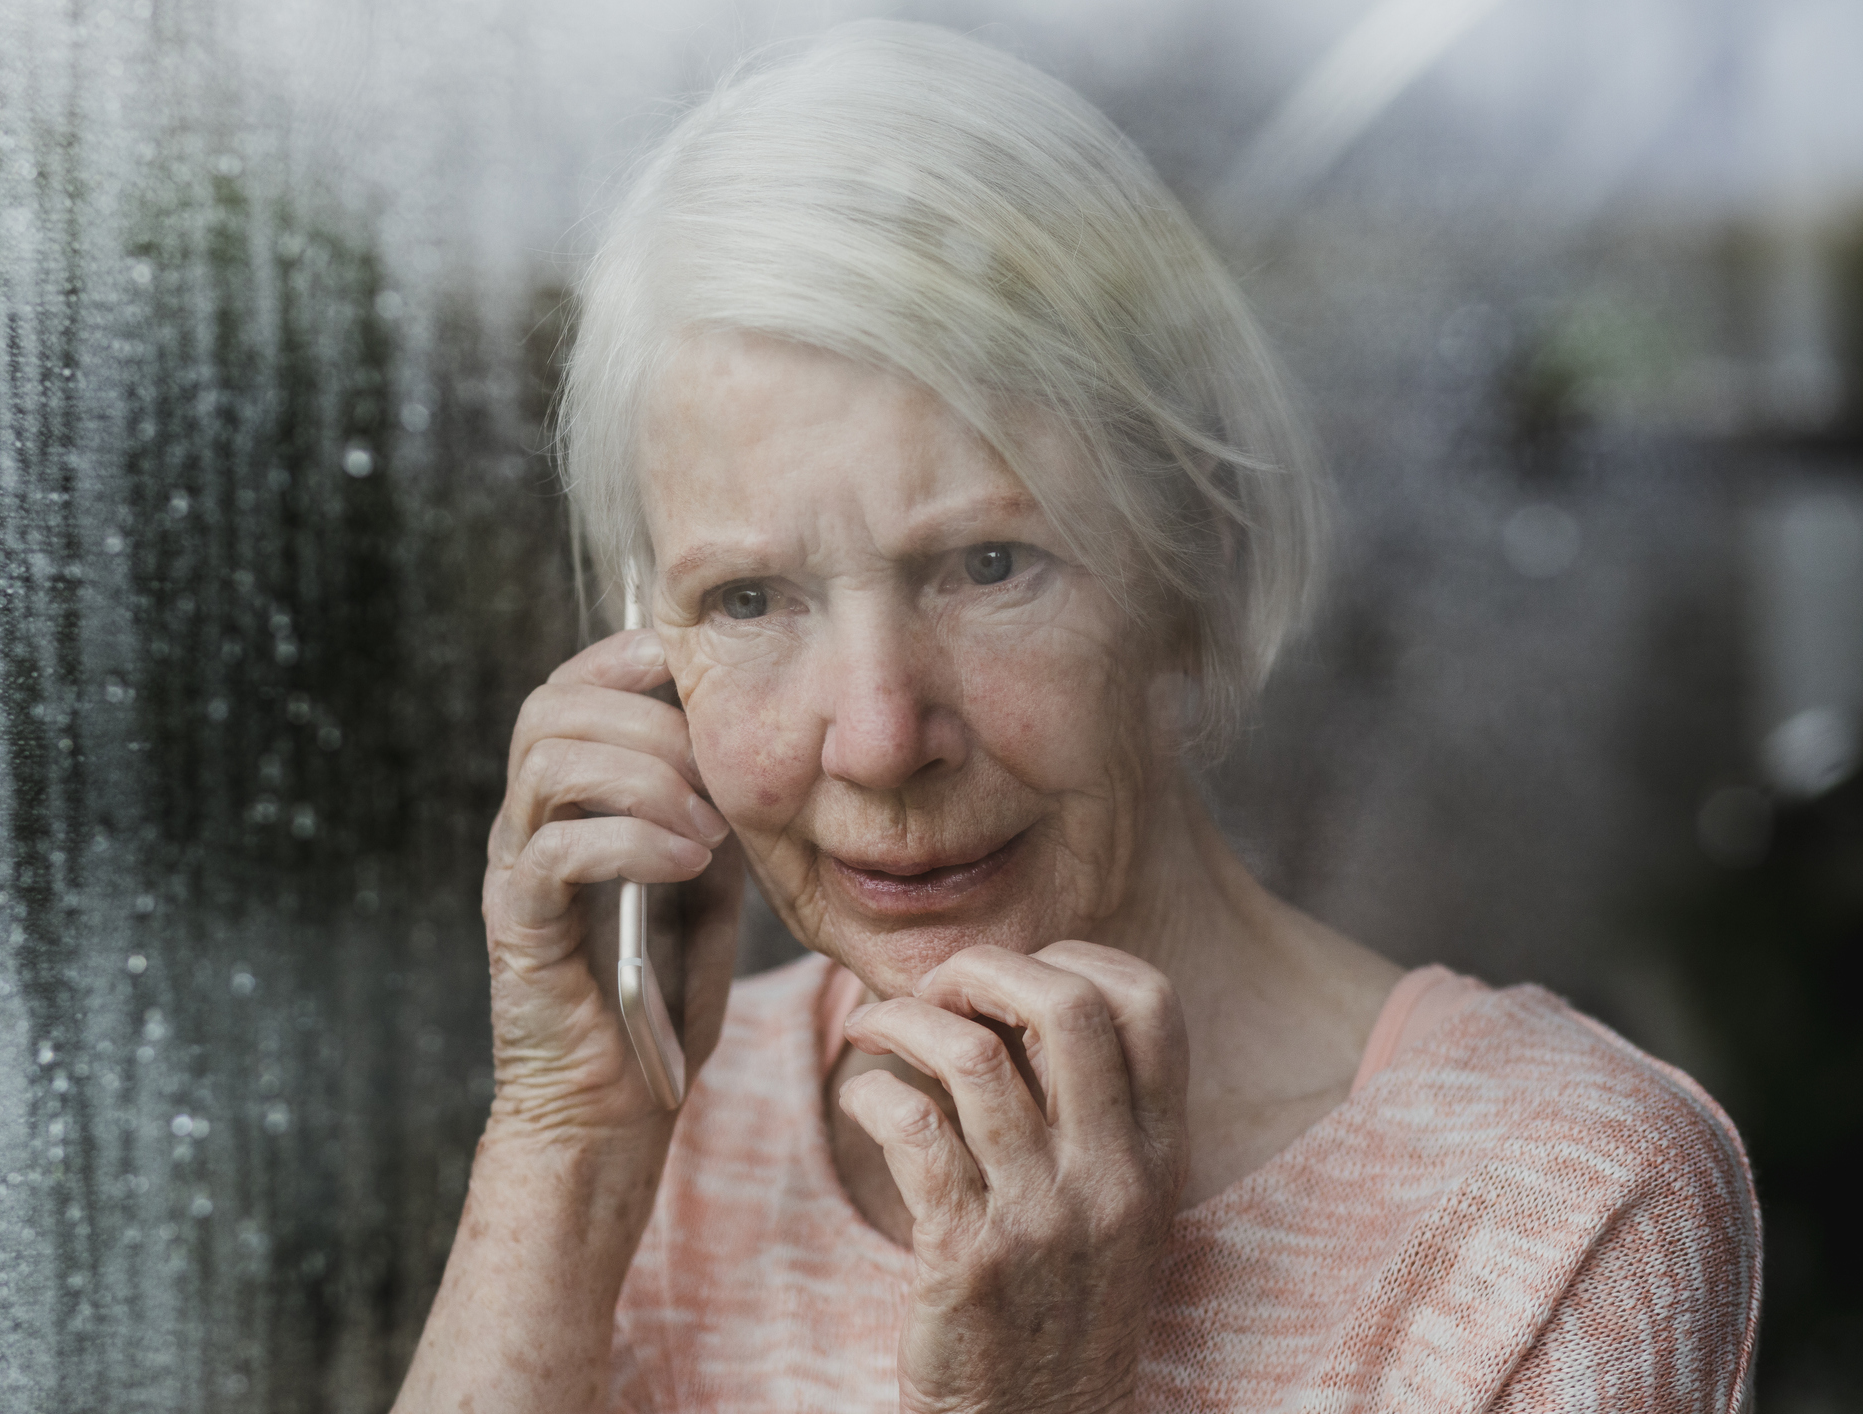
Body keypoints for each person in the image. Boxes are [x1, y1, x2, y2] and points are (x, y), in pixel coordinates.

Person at [394, 21, 1760, 1413]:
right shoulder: (656, 1119)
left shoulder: (1560, 1204)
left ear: (1189, 559)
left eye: (990, 567)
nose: (876, 737)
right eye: (748, 599)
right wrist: (563, 1153)